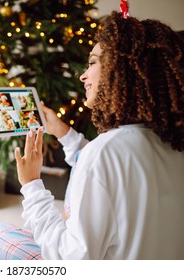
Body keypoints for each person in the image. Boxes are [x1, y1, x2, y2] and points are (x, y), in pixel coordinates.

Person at [14, 11, 184, 259]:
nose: (83, 75)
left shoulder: (105, 153)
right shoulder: (172, 145)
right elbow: (110, 170)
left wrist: (32, 186)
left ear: (121, 69)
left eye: (93, 62)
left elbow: (68, 260)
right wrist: (62, 132)